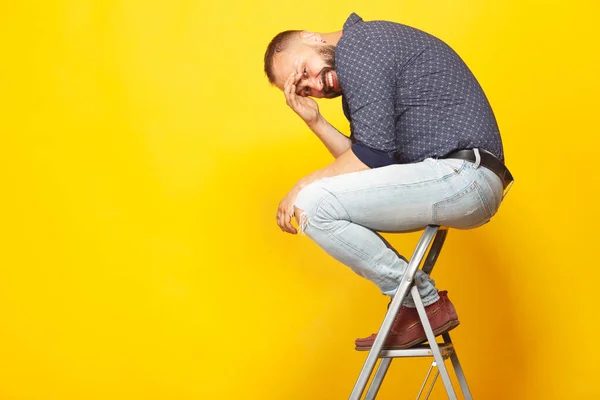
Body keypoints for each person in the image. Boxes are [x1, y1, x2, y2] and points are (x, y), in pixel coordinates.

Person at [263, 13, 513, 349]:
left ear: (311, 37)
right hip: (460, 178)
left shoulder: (359, 45)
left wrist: (299, 187)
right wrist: (316, 121)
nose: (316, 86)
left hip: (464, 176)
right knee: (317, 201)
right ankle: (416, 306)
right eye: (304, 88)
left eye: (304, 72)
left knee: (311, 203)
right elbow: (372, 164)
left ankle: (419, 301)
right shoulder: (360, 60)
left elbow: (372, 159)